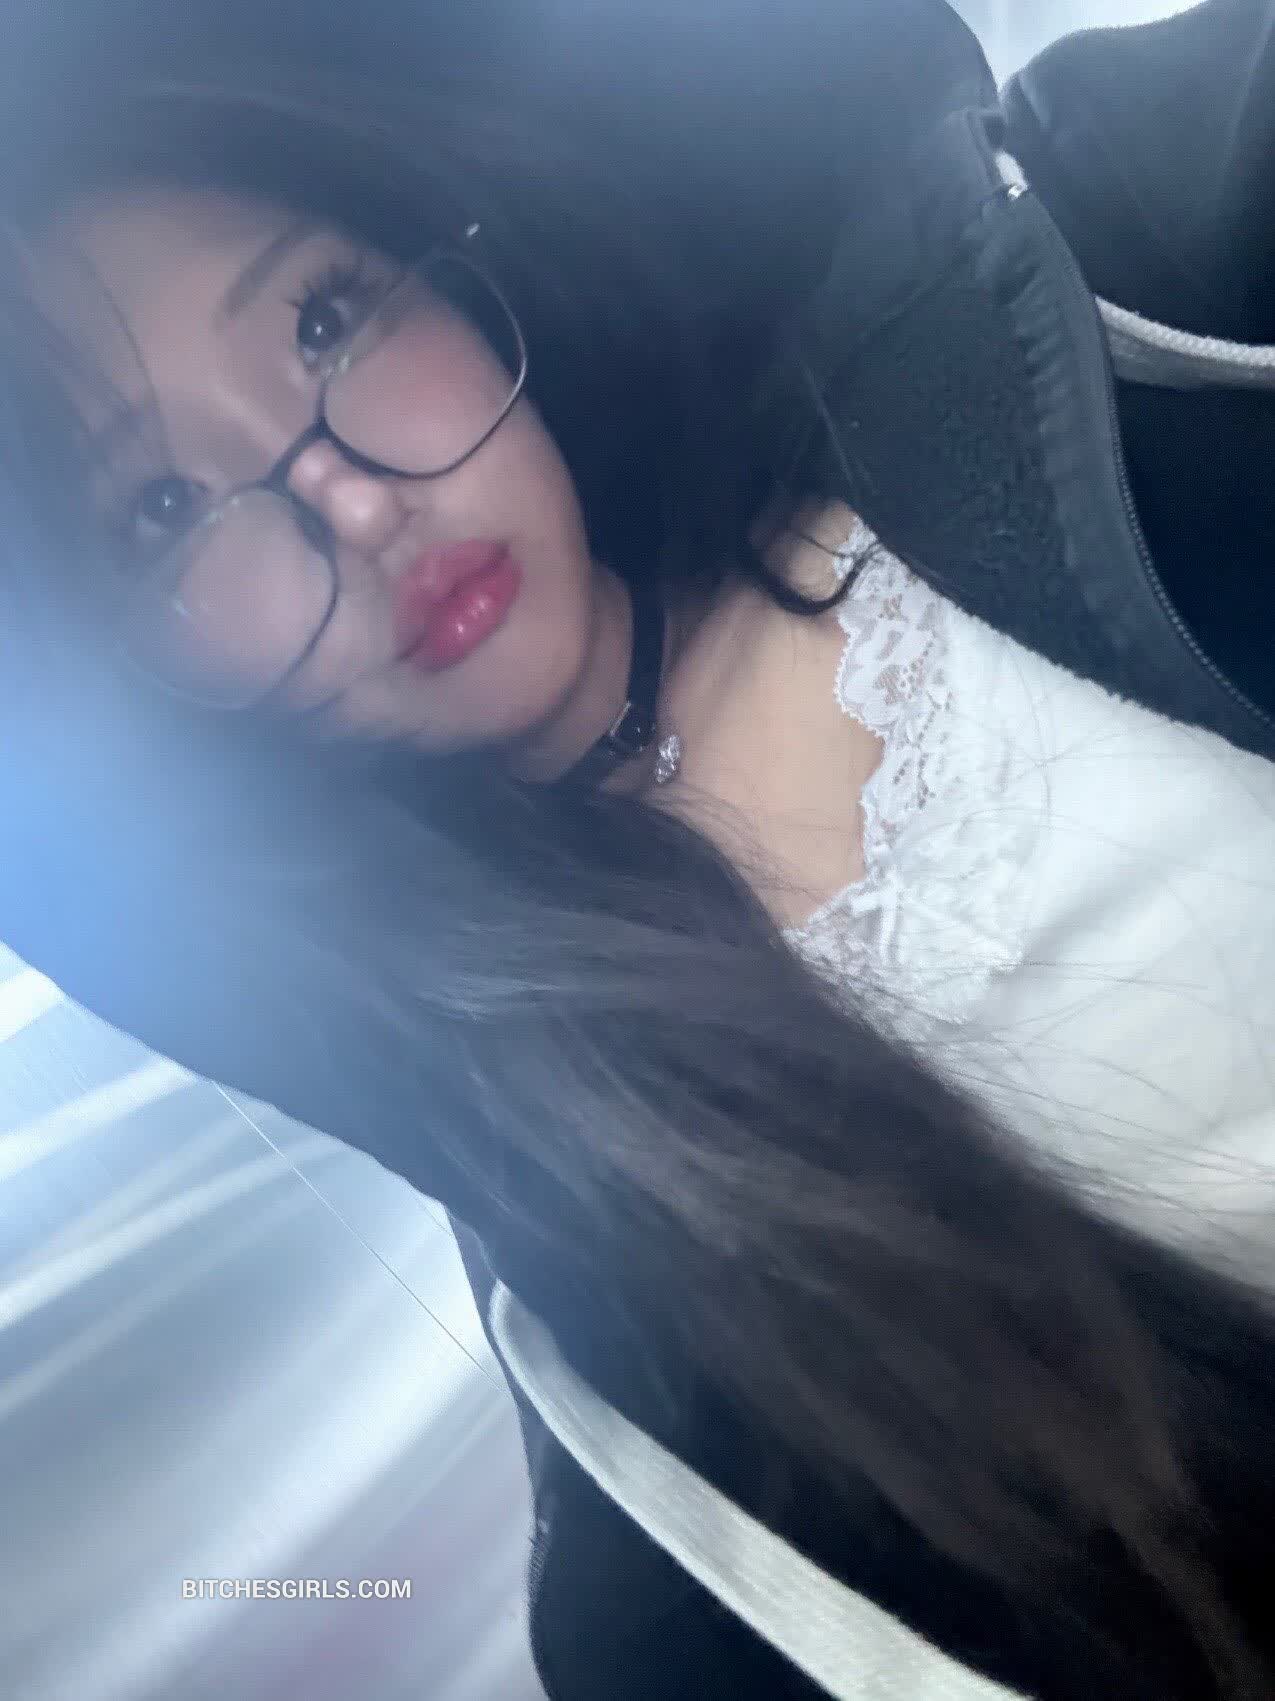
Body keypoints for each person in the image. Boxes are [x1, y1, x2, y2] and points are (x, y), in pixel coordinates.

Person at [0, 0, 1273, 1696]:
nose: (357, 506)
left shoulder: (1054, 306)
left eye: (324, 317)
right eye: (164, 508)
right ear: (142, 683)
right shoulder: (652, 1459)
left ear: (452, 270)